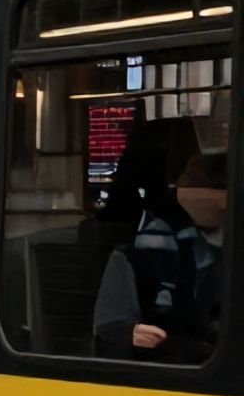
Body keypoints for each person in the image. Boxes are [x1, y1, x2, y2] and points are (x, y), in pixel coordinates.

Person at [94, 151, 225, 364]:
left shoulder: (231, 248)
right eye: (188, 180)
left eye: (213, 183)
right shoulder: (135, 255)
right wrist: (130, 335)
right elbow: (108, 332)